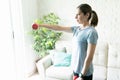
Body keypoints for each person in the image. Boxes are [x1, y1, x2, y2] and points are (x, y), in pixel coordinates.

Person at [35, 3, 98, 80]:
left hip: (85, 73)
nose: (75, 17)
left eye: (78, 14)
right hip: (76, 70)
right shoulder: (77, 29)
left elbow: (89, 57)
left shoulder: (91, 32)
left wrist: (82, 76)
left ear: (87, 15)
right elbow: (58, 28)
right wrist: (41, 25)